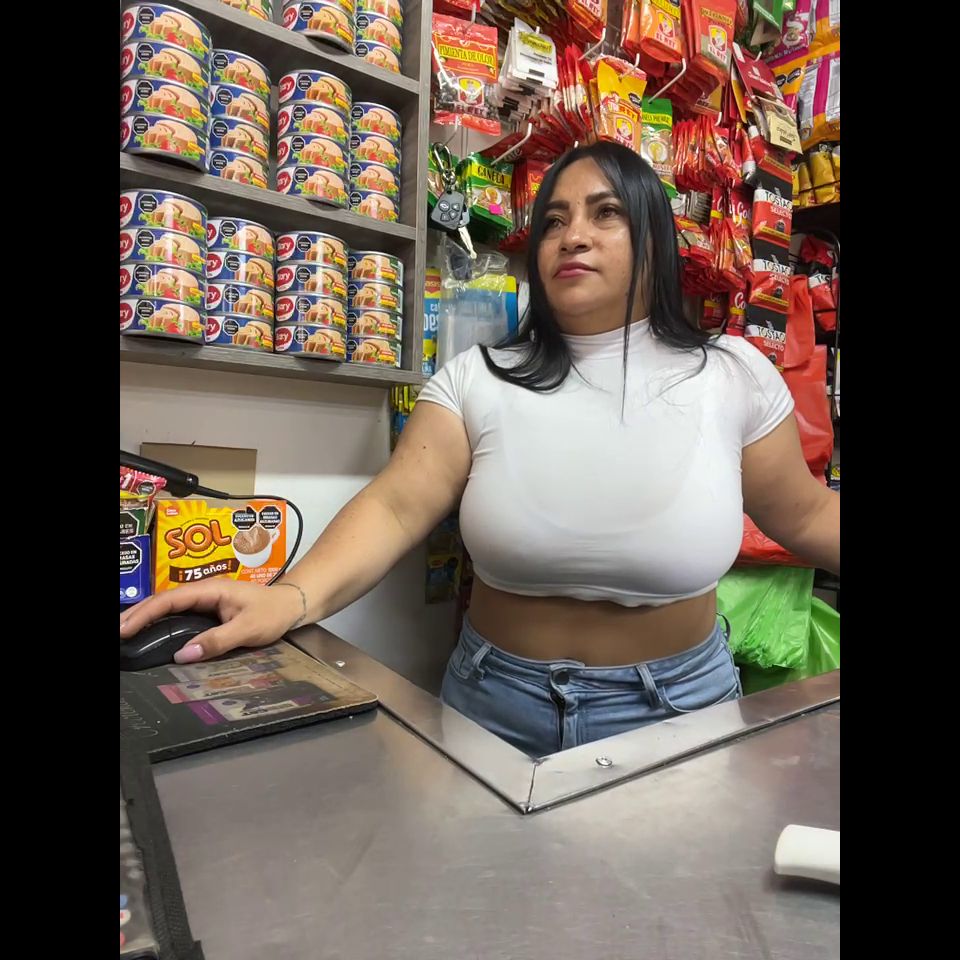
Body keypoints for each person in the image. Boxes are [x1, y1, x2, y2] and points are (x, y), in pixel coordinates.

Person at [120, 142, 840, 758]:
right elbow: (396, 507)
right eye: (553, 220)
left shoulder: (732, 375)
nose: (572, 236)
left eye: (605, 213)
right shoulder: (478, 378)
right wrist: (288, 598)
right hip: (497, 705)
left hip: (679, 706)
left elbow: (806, 516)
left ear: (653, 236)